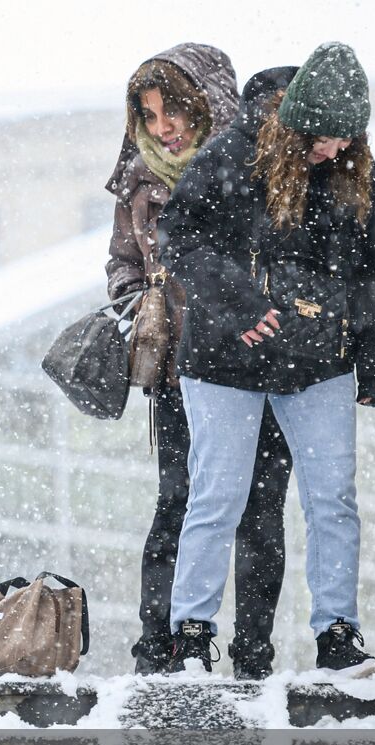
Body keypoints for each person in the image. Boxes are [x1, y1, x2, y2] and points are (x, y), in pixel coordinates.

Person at [158, 43, 375, 677]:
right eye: (323, 140)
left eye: (348, 141)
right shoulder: (233, 153)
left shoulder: (353, 167)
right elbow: (177, 239)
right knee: (218, 496)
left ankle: (338, 636)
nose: (334, 152)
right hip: (224, 361)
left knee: (333, 500)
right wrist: (241, 305)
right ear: (296, 124)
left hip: (319, 364)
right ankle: (190, 636)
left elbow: (373, 267)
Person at [105, 44, 292, 679]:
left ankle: (253, 655)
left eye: (175, 110)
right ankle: (161, 648)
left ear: (208, 103)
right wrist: (139, 304)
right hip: (183, 373)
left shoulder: (258, 167)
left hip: (259, 365)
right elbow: (123, 263)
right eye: (151, 115)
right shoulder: (138, 180)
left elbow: (286, 254)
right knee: (179, 503)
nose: (165, 128)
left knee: (259, 509)